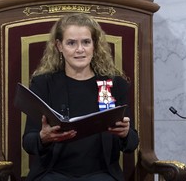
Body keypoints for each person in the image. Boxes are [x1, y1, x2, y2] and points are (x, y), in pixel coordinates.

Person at [22, 13, 139, 181]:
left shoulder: (114, 84)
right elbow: (28, 142)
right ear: (59, 46)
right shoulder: (43, 84)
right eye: (71, 43)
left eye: (86, 42)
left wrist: (126, 134)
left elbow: (132, 144)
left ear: (94, 45)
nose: (80, 50)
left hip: (101, 174)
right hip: (53, 173)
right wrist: (43, 138)